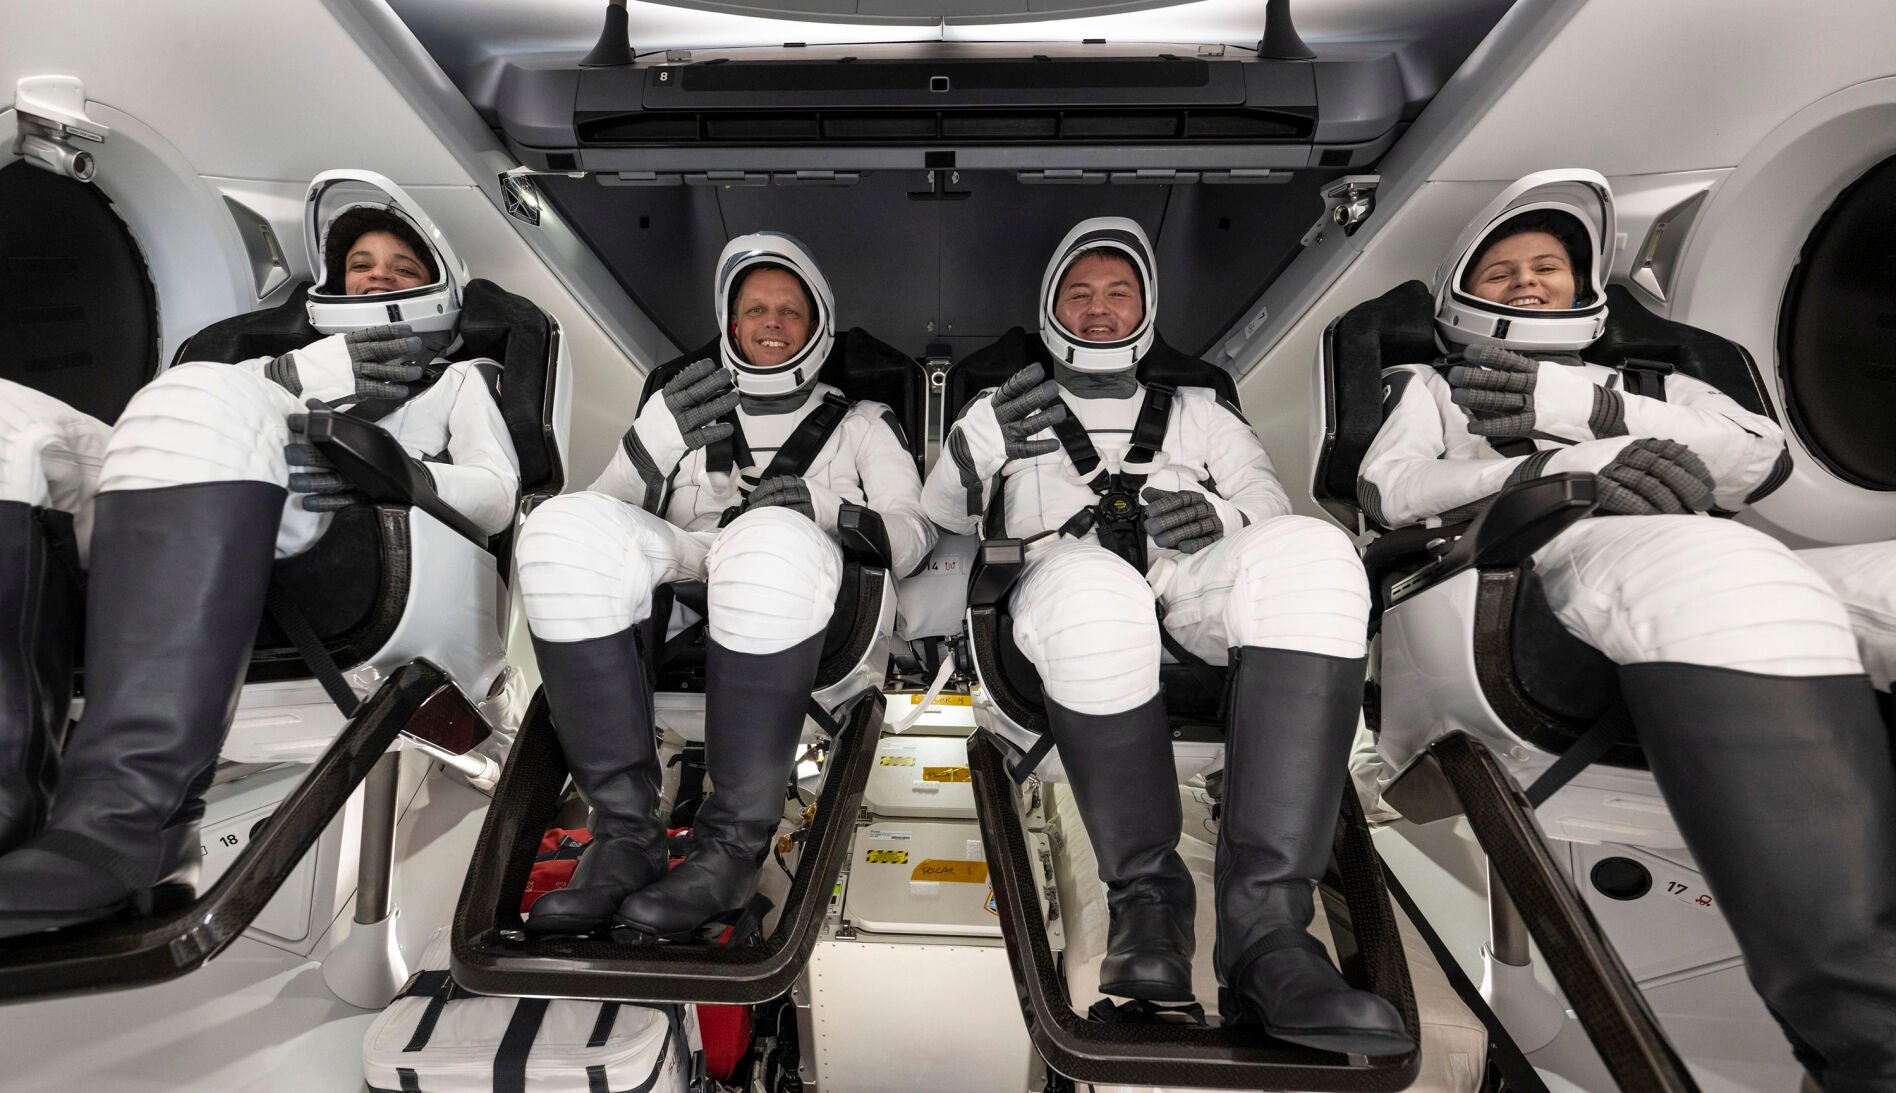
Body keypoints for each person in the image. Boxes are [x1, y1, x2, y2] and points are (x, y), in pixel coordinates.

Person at [1358, 168, 1896, 1089]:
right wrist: (1564, 476)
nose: (1529, 282)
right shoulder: (1433, 385)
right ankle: (1867, 1048)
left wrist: (1592, 414)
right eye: (1502, 271)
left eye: (1550, 267)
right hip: (1527, 566)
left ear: (1585, 289)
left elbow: (1755, 458)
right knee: (1728, 573)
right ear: (1462, 293)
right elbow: (1390, 493)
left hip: (1689, 539)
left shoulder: (1658, 381)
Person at [920, 218, 1412, 1055]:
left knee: (1317, 552)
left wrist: (1219, 515)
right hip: (1057, 582)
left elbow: (1268, 506)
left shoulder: (1200, 410)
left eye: (1119, 293)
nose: (1101, 309)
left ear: (1145, 309)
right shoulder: (996, 408)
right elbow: (942, 515)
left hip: (1190, 581)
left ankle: (1268, 938)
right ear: (1051, 308)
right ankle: (1148, 901)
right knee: (1097, 588)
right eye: (1081, 292)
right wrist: (983, 445)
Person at [0, 170, 520, 937]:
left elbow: (495, 491)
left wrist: (383, 462)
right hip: (188, 509)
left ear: (436, 289)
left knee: (197, 395)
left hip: (344, 531)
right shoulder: (264, 373)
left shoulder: (456, 381)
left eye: (401, 267)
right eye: (362, 263)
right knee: (11, 420)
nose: (378, 274)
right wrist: (290, 379)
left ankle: (130, 829)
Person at [514, 231, 933, 939]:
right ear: (731, 327)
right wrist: (649, 442)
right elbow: (600, 515)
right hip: (689, 568)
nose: (771, 321)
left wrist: (824, 507)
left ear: (818, 328)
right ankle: (623, 836)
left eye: (789, 310)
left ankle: (731, 851)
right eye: (755, 309)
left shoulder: (861, 422)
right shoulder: (681, 411)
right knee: (557, 530)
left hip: (803, 582)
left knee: (764, 541)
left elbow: (915, 534)